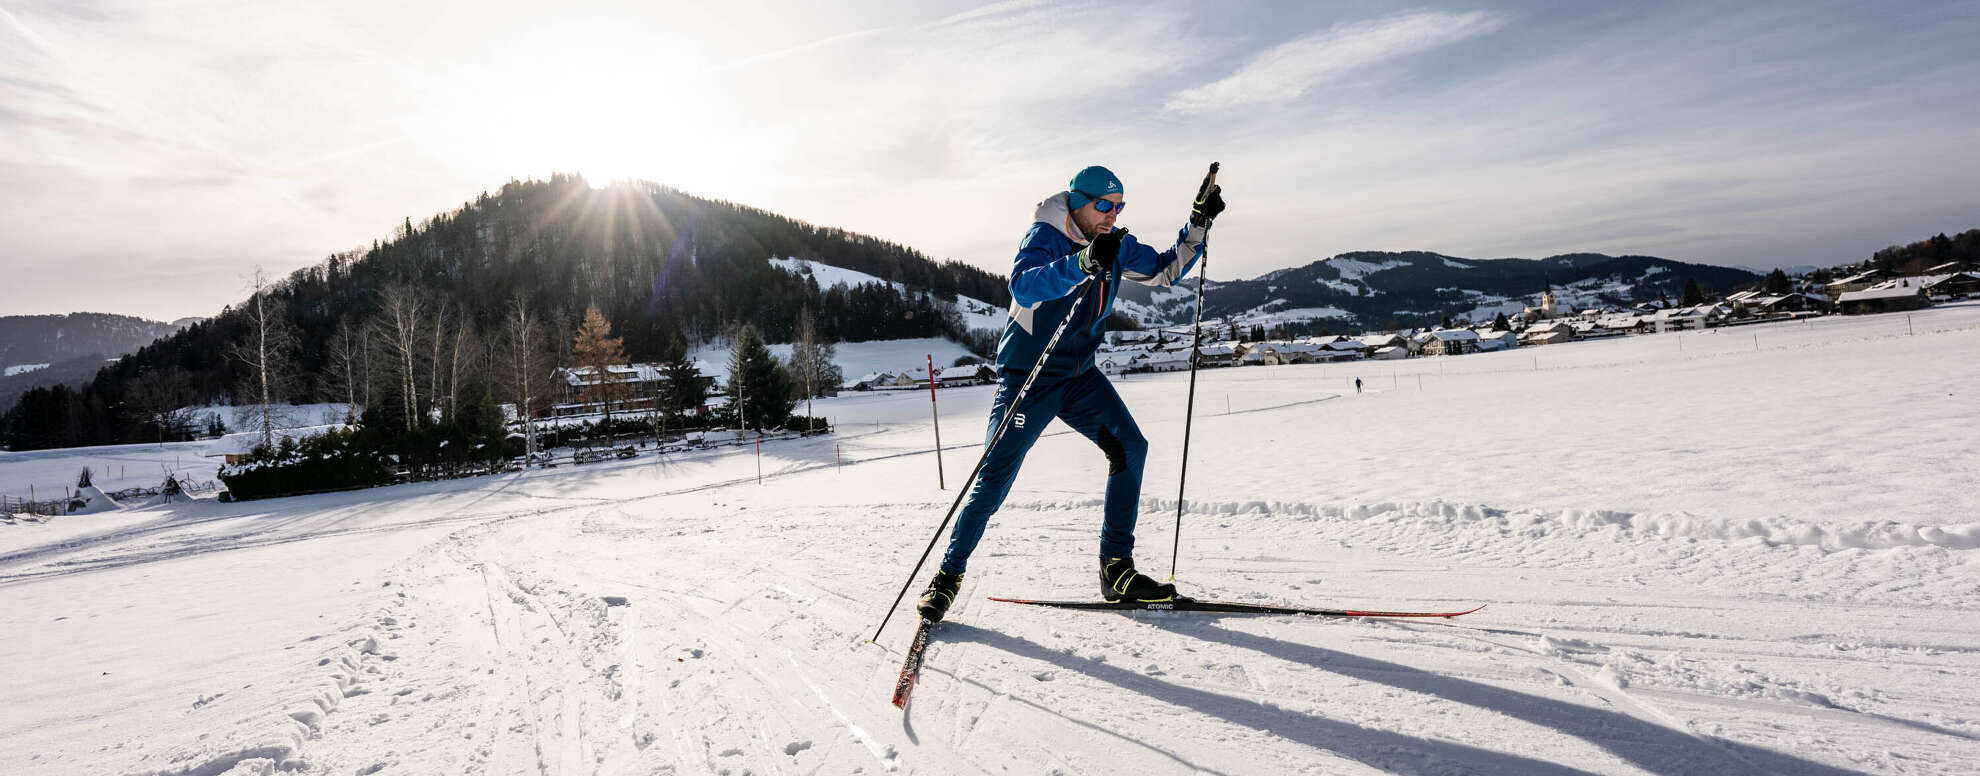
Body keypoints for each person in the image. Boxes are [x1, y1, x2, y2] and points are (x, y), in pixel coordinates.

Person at [916, 165, 1225, 622]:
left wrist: (1198, 223)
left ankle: (1116, 569)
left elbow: (1165, 271)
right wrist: (1083, 263)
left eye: (1119, 207)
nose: (1112, 215)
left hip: (1079, 377)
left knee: (1131, 447)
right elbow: (1024, 286)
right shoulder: (1044, 235)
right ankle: (948, 575)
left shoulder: (1114, 242)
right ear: (1078, 204)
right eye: (1104, 206)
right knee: (995, 477)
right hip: (1029, 379)